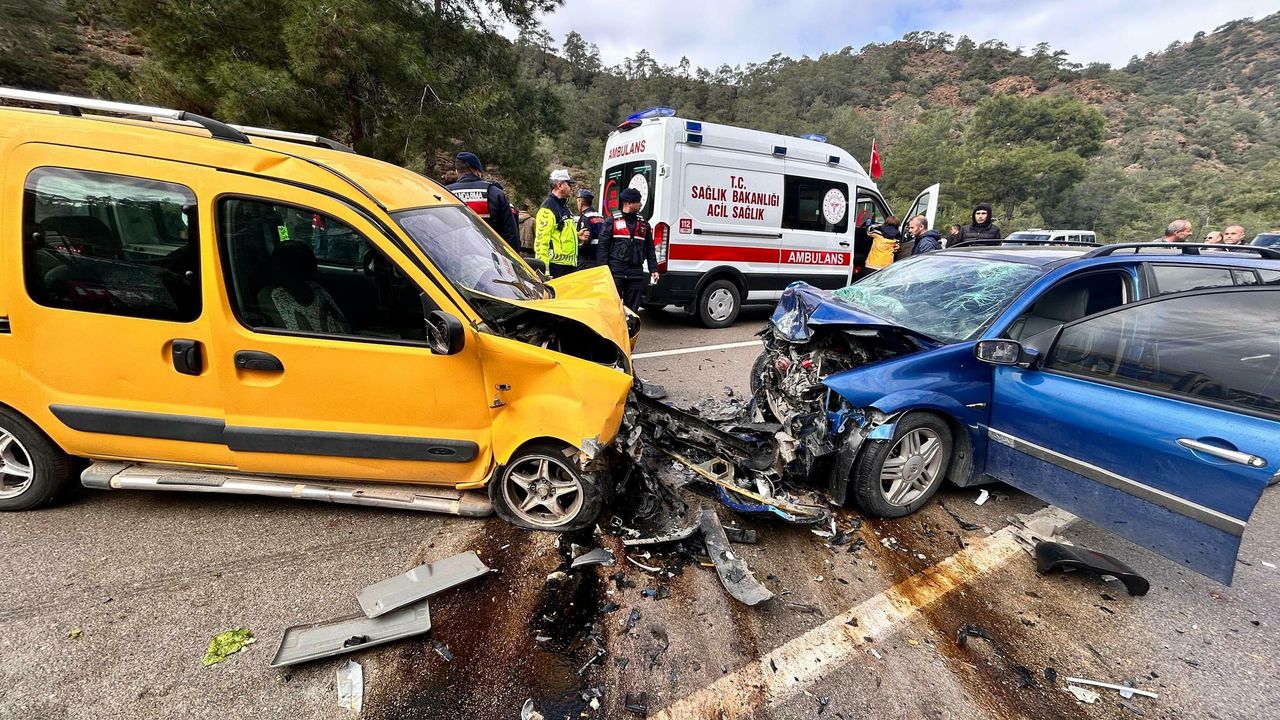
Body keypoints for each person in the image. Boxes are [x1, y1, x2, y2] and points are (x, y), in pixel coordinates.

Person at [445, 152, 520, 252]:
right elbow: (511, 235)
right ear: (477, 172)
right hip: (489, 256)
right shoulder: (494, 193)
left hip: (454, 256)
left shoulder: (445, 192)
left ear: (457, 171)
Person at [598, 187, 659, 310]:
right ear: (629, 203)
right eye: (638, 202)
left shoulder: (644, 224)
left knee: (633, 309)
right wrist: (603, 269)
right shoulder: (611, 221)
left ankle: (630, 323)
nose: (640, 204)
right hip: (616, 271)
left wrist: (653, 269)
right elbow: (602, 247)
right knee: (612, 307)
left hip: (635, 273)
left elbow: (650, 248)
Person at [535, 169, 580, 277]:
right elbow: (541, 243)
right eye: (569, 184)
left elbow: (561, 235)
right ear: (560, 185)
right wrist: (544, 273)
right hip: (554, 268)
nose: (571, 188)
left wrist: (578, 236)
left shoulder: (564, 207)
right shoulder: (547, 209)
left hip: (568, 266)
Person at [575, 188, 605, 270]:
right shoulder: (600, 217)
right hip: (598, 258)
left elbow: (585, 240)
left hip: (586, 260)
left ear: (580, 202)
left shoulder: (585, 217)